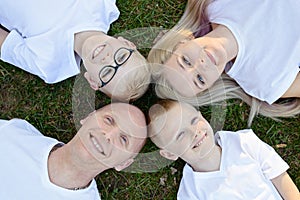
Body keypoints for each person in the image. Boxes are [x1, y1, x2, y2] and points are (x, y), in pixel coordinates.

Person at [148, 0, 300, 125]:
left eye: (185, 61)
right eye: (200, 79)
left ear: (183, 41)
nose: (200, 65)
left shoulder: (214, 4)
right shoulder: (264, 82)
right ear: (211, 84)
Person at [0, 0, 150, 101]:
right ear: (127, 43)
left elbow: (5, 43)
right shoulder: (104, 6)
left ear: (92, 81)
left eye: (107, 73)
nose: (108, 59)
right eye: (122, 57)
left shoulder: (49, 65)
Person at [148, 100, 300, 199]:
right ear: (170, 153)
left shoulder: (243, 142)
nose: (194, 132)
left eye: (194, 120)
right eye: (180, 135)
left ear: (201, 116)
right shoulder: (190, 193)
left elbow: (281, 180)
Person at [0, 102, 147, 199]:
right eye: (108, 120)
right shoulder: (12, 132)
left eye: (123, 139)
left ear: (123, 164)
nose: (107, 135)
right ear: (88, 117)